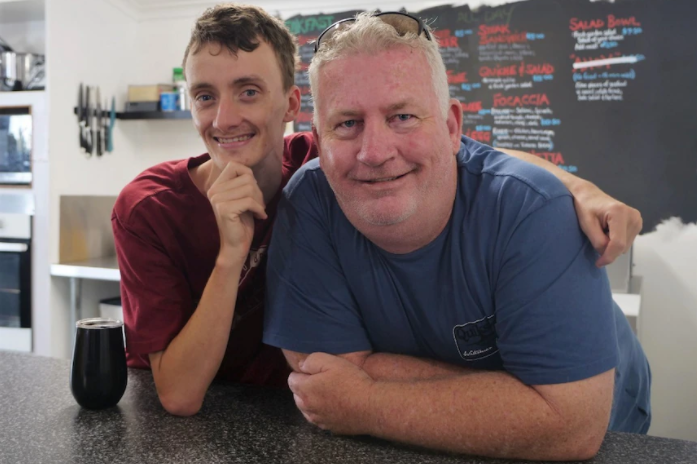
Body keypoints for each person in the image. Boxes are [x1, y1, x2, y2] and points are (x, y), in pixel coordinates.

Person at [113, 4, 641, 417]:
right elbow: (179, 396)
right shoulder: (153, 208)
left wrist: (576, 186)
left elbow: (459, 151)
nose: (225, 117)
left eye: (248, 91)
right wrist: (232, 254)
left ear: (292, 108)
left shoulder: (319, 163)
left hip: (305, 405)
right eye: (205, 96)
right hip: (251, 412)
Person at [262, 11, 651, 461]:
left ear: (451, 127)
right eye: (347, 123)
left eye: (402, 116)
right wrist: (507, 399)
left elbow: (571, 425)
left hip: (611, 431)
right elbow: (324, 374)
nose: (374, 152)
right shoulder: (310, 202)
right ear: (318, 137)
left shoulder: (533, 209)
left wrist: (367, 401)